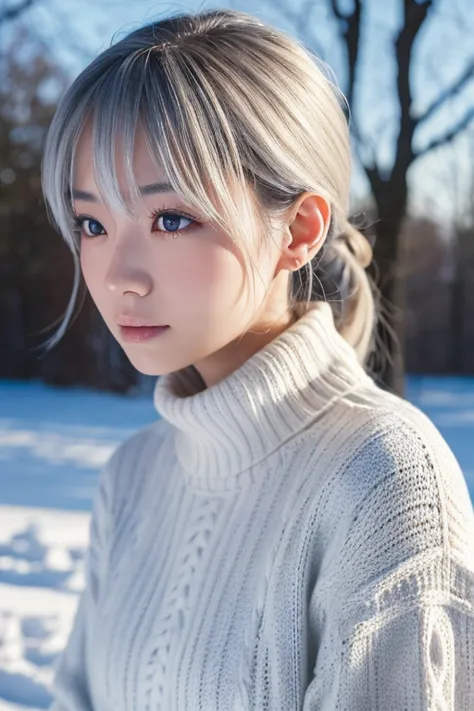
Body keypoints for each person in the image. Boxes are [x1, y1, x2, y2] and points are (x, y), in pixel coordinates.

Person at [41, 8, 474, 711]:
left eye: (170, 219)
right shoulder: (133, 477)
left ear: (299, 229)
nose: (119, 272)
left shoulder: (383, 481)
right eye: (93, 222)